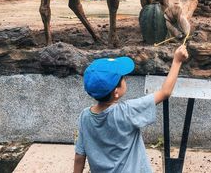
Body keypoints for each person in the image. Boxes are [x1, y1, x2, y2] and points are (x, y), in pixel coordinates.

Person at [74, 45, 188, 173]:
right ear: (116, 91)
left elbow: (80, 155)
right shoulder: (127, 111)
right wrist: (177, 61)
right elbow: (165, 92)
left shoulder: (85, 117)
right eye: (122, 78)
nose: (125, 79)